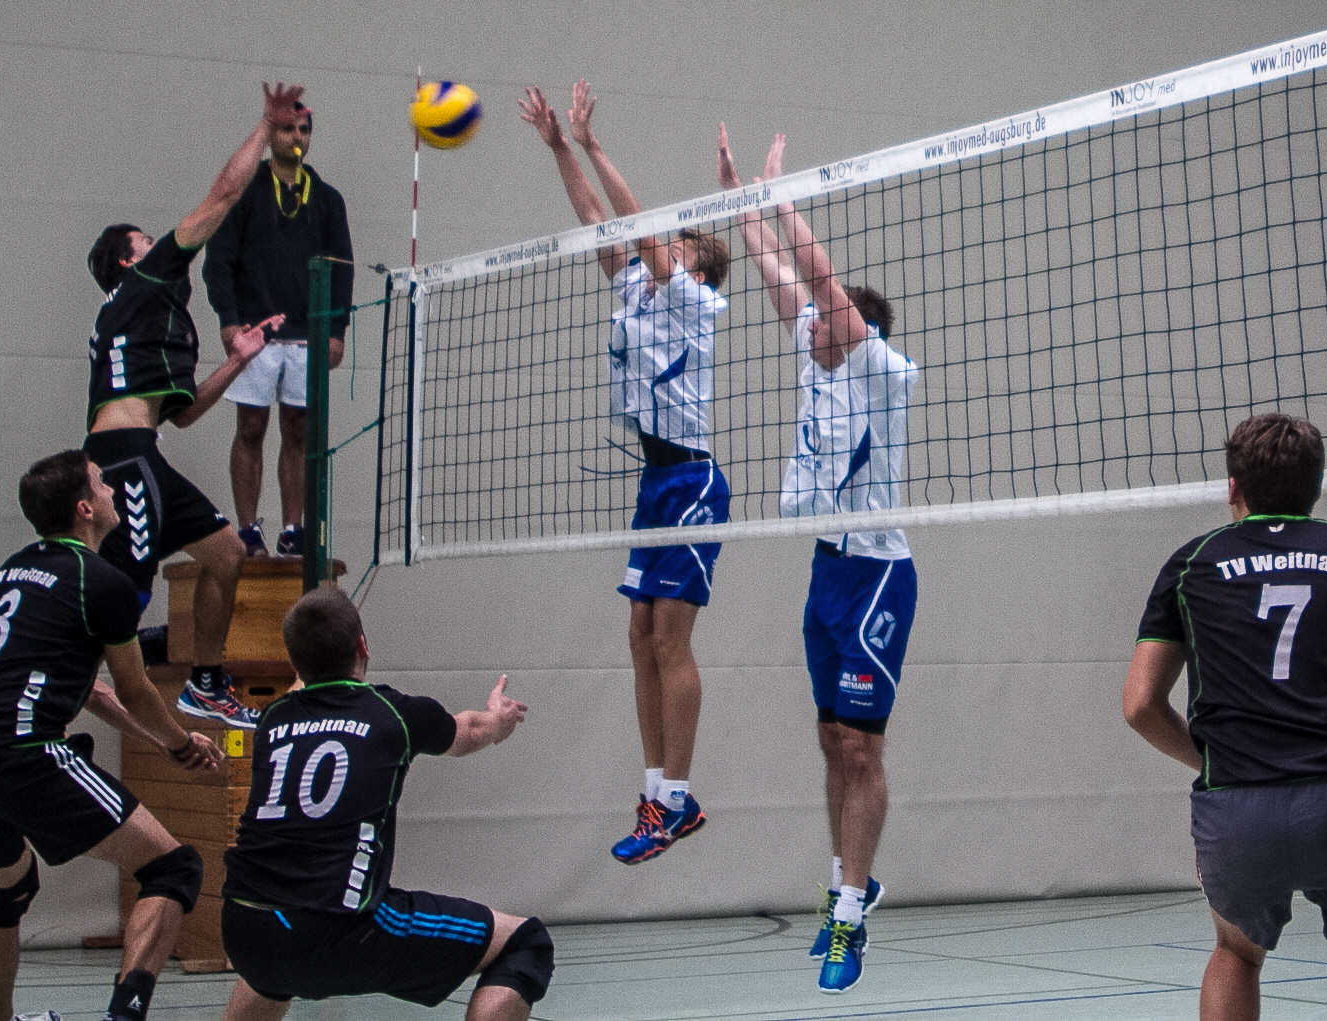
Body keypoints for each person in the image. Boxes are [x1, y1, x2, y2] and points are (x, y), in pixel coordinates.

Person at [1123, 413, 1327, 1021]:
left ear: (1232, 486)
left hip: (1238, 806)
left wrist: (1212, 759)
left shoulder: (1191, 563)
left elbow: (1139, 705)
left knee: (1236, 953)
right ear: (1318, 486)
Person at [718, 127, 918, 993]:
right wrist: (743, 201)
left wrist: (783, 198)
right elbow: (777, 270)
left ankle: (848, 914)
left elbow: (817, 275)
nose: (809, 326)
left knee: (863, 749)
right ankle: (849, 881)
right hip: (827, 570)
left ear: (853, 331)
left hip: (878, 575)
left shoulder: (880, 371)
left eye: (825, 320)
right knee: (832, 737)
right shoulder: (819, 363)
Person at [0, 450, 224, 1021]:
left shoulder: (12, 569)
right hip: (25, 757)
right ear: (85, 509)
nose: (112, 489)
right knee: (174, 868)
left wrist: (161, 744)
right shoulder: (103, 582)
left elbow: (95, 694)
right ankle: (124, 1015)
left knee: (10, 890)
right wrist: (181, 742)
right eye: (102, 483)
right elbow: (136, 689)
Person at [520, 81, 731, 865]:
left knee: (670, 639)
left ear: (694, 267)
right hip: (655, 482)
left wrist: (595, 142)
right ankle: (655, 795)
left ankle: (677, 795)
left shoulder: (693, 302)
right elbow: (596, 220)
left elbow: (638, 228)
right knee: (639, 635)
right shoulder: (638, 292)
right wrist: (559, 148)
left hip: (693, 482)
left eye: (676, 246)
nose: (661, 248)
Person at [216, 587, 552, 1021]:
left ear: (294, 663)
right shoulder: (394, 714)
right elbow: (469, 731)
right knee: (526, 942)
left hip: (243, 929)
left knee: (273, 971)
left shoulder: (272, 721)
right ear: (362, 646)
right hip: (339, 931)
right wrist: (499, 720)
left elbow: (303, 682)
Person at [84, 82, 308, 729]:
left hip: (142, 450)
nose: (160, 244)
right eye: (147, 241)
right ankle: (72, 682)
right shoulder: (142, 285)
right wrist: (265, 127)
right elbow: (223, 196)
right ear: (129, 260)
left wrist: (239, 360)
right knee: (122, 594)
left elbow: (181, 415)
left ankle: (206, 683)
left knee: (228, 553)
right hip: (122, 459)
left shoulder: (153, 323)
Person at [202, 96, 354, 559]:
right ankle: (248, 530)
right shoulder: (246, 192)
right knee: (251, 426)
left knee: (299, 430)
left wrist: (336, 330)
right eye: (289, 129)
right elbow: (218, 261)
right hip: (256, 335)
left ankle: (293, 529)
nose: (297, 138)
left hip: (308, 336)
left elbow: (342, 269)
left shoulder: (327, 199)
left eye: (304, 130)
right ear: (271, 135)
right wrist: (229, 321)